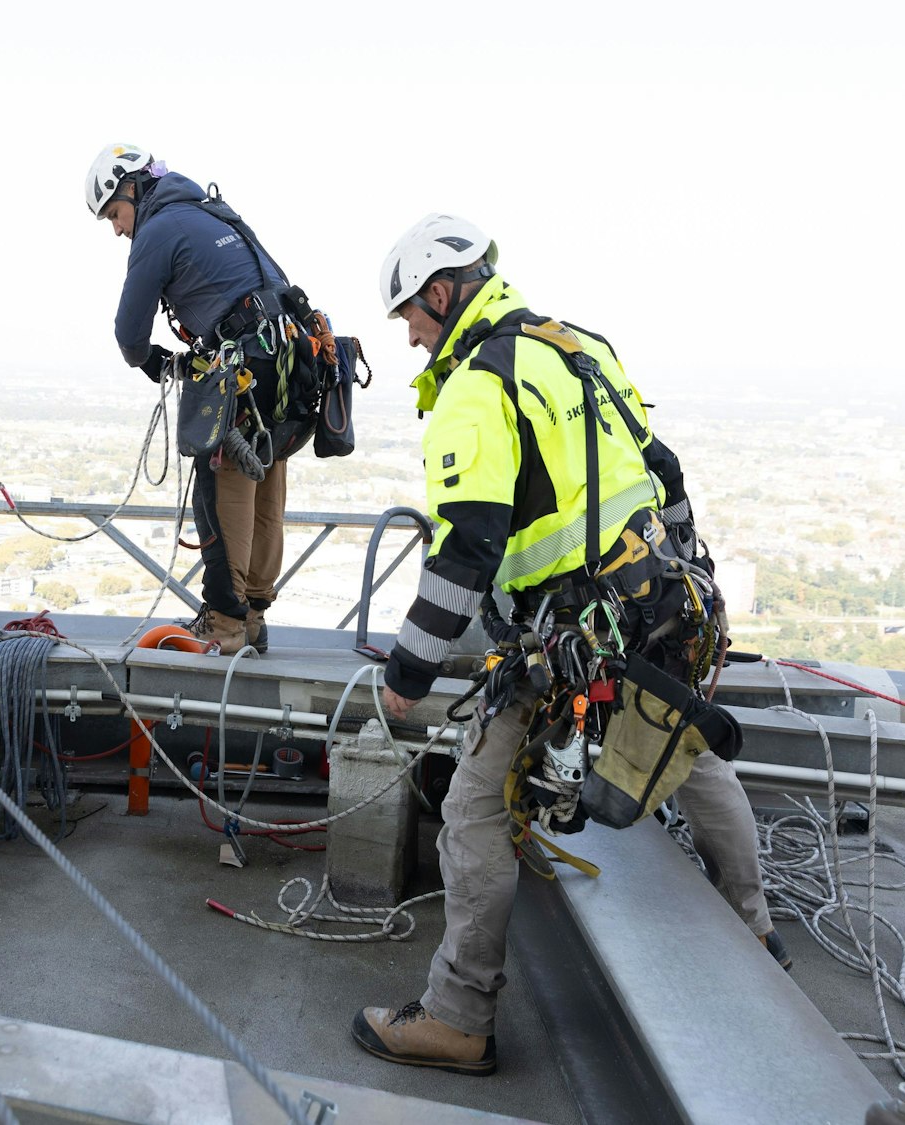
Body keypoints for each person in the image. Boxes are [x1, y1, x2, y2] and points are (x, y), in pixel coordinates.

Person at [353, 214, 787, 1077]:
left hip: (570, 634)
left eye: (411, 316)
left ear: (440, 292)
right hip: (656, 598)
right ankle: (756, 931)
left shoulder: (477, 385)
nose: (409, 337)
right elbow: (663, 470)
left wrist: (408, 670)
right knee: (687, 751)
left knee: (474, 809)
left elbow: (468, 547)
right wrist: (686, 576)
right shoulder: (579, 346)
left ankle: (457, 1018)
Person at [86, 143, 320, 654]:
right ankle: (253, 616)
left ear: (133, 190)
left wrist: (150, 361)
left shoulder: (159, 228)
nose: (118, 229)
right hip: (289, 357)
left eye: (115, 214)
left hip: (244, 364)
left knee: (222, 487)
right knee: (266, 478)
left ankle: (224, 623)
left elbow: (129, 333)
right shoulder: (215, 212)